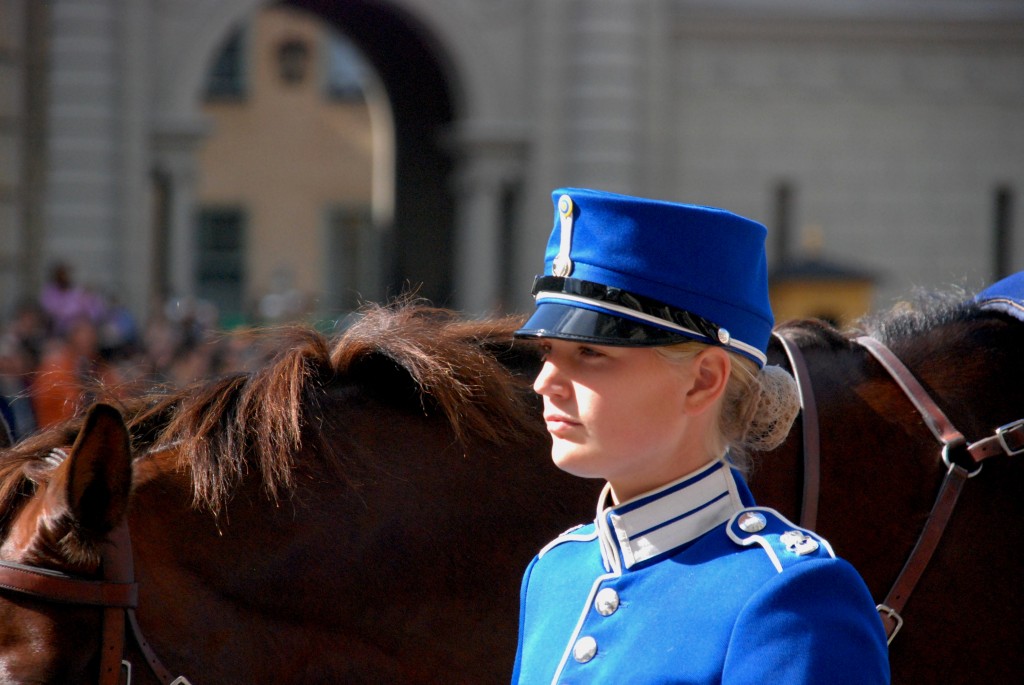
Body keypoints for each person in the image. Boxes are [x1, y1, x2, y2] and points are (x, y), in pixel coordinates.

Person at [510, 188, 889, 683]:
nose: (545, 382)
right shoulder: (555, 573)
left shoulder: (791, 597)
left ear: (703, 380)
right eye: (547, 352)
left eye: (590, 353)